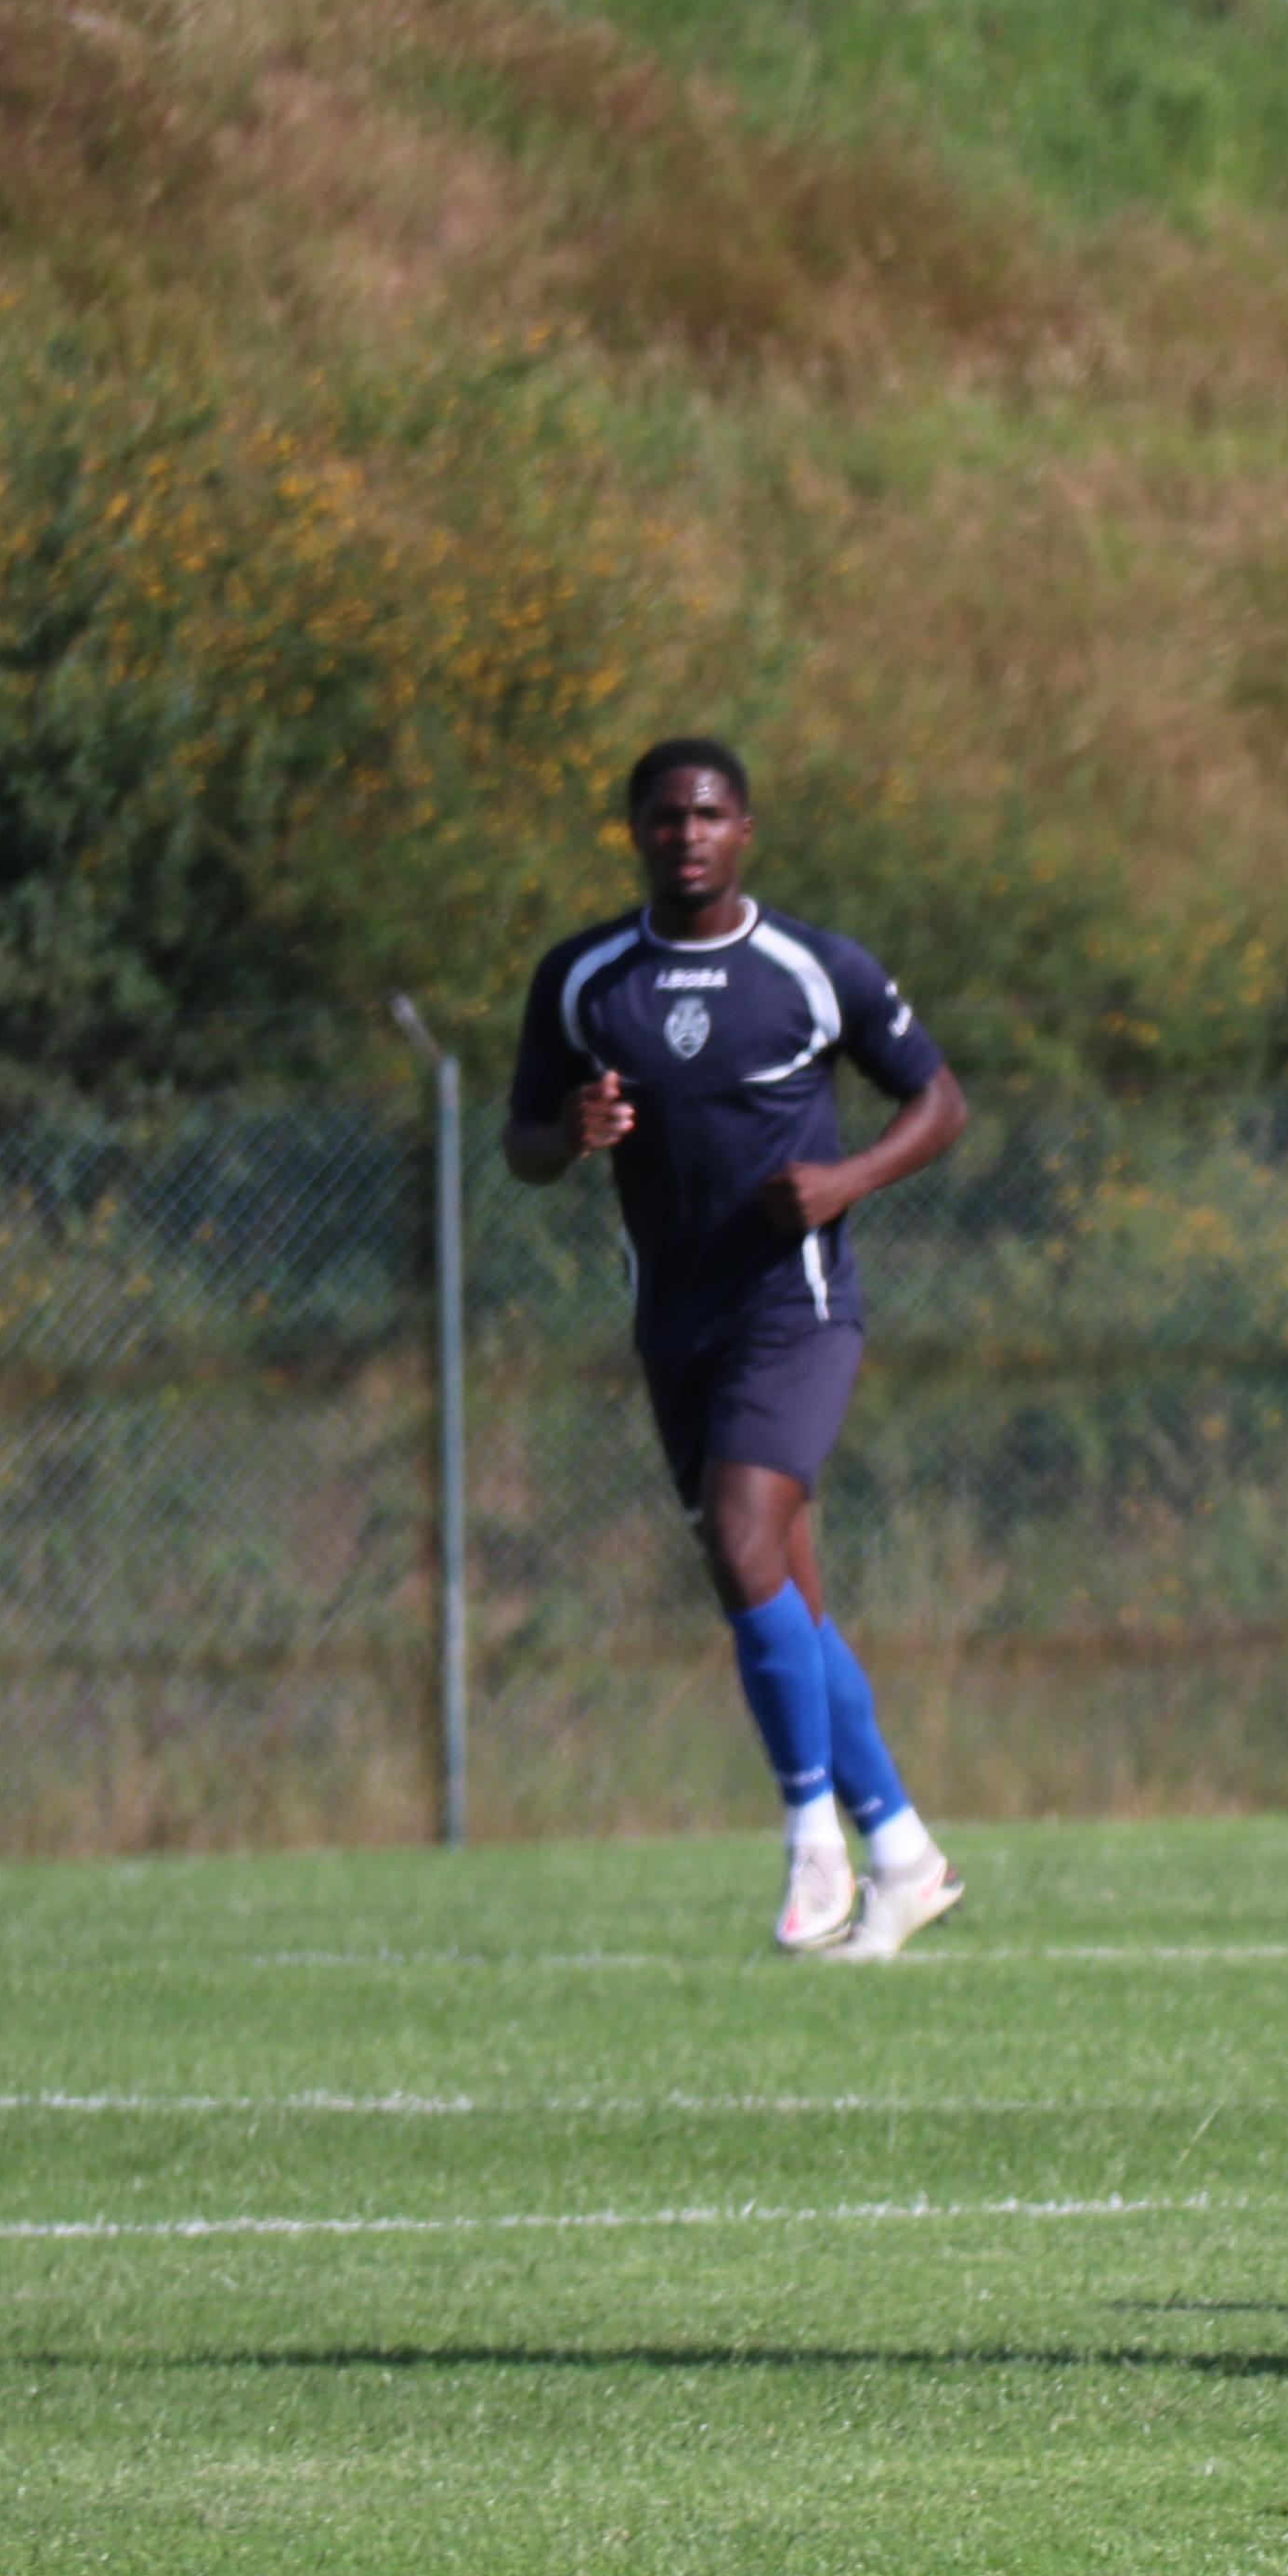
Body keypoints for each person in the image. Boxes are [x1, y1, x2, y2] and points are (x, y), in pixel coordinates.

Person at [506, 739, 974, 1958]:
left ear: (746, 830)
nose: (688, 834)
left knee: (741, 1531)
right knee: (780, 1591)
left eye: (709, 814)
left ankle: (814, 1837)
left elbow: (939, 1101)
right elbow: (522, 1144)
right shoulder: (584, 979)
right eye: (665, 818)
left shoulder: (813, 969)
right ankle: (904, 1851)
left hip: (797, 1305)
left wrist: (846, 1180)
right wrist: (570, 1126)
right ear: (636, 833)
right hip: (675, 1316)